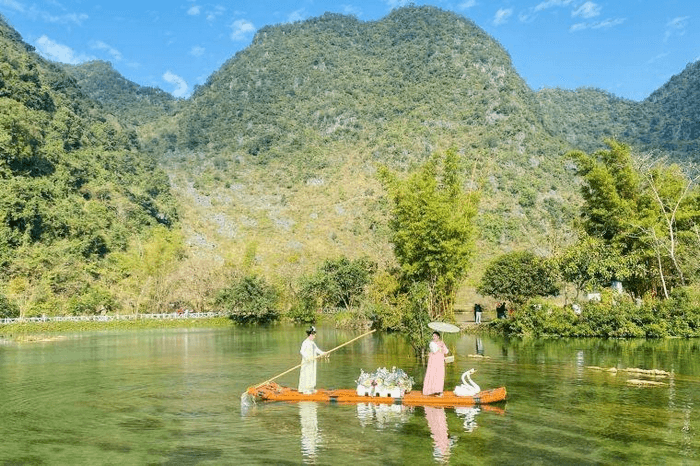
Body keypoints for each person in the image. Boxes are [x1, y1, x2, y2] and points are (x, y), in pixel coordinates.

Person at [298, 326, 326, 394]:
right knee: (307, 374)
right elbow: (302, 351)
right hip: (307, 362)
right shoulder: (305, 342)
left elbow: (316, 349)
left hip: (312, 362)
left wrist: (323, 353)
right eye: (314, 335)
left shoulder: (312, 343)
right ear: (311, 335)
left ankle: (311, 388)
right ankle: (305, 389)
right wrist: (307, 357)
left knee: (312, 374)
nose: (315, 336)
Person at [422, 331, 449, 396]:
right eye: (433, 336)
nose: (434, 337)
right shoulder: (432, 343)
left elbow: (446, 351)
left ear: (438, 337)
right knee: (432, 373)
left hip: (440, 361)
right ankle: (431, 390)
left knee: (440, 375)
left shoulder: (441, 343)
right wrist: (440, 346)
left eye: (435, 336)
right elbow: (434, 350)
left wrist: (443, 346)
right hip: (433, 361)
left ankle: (439, 390)